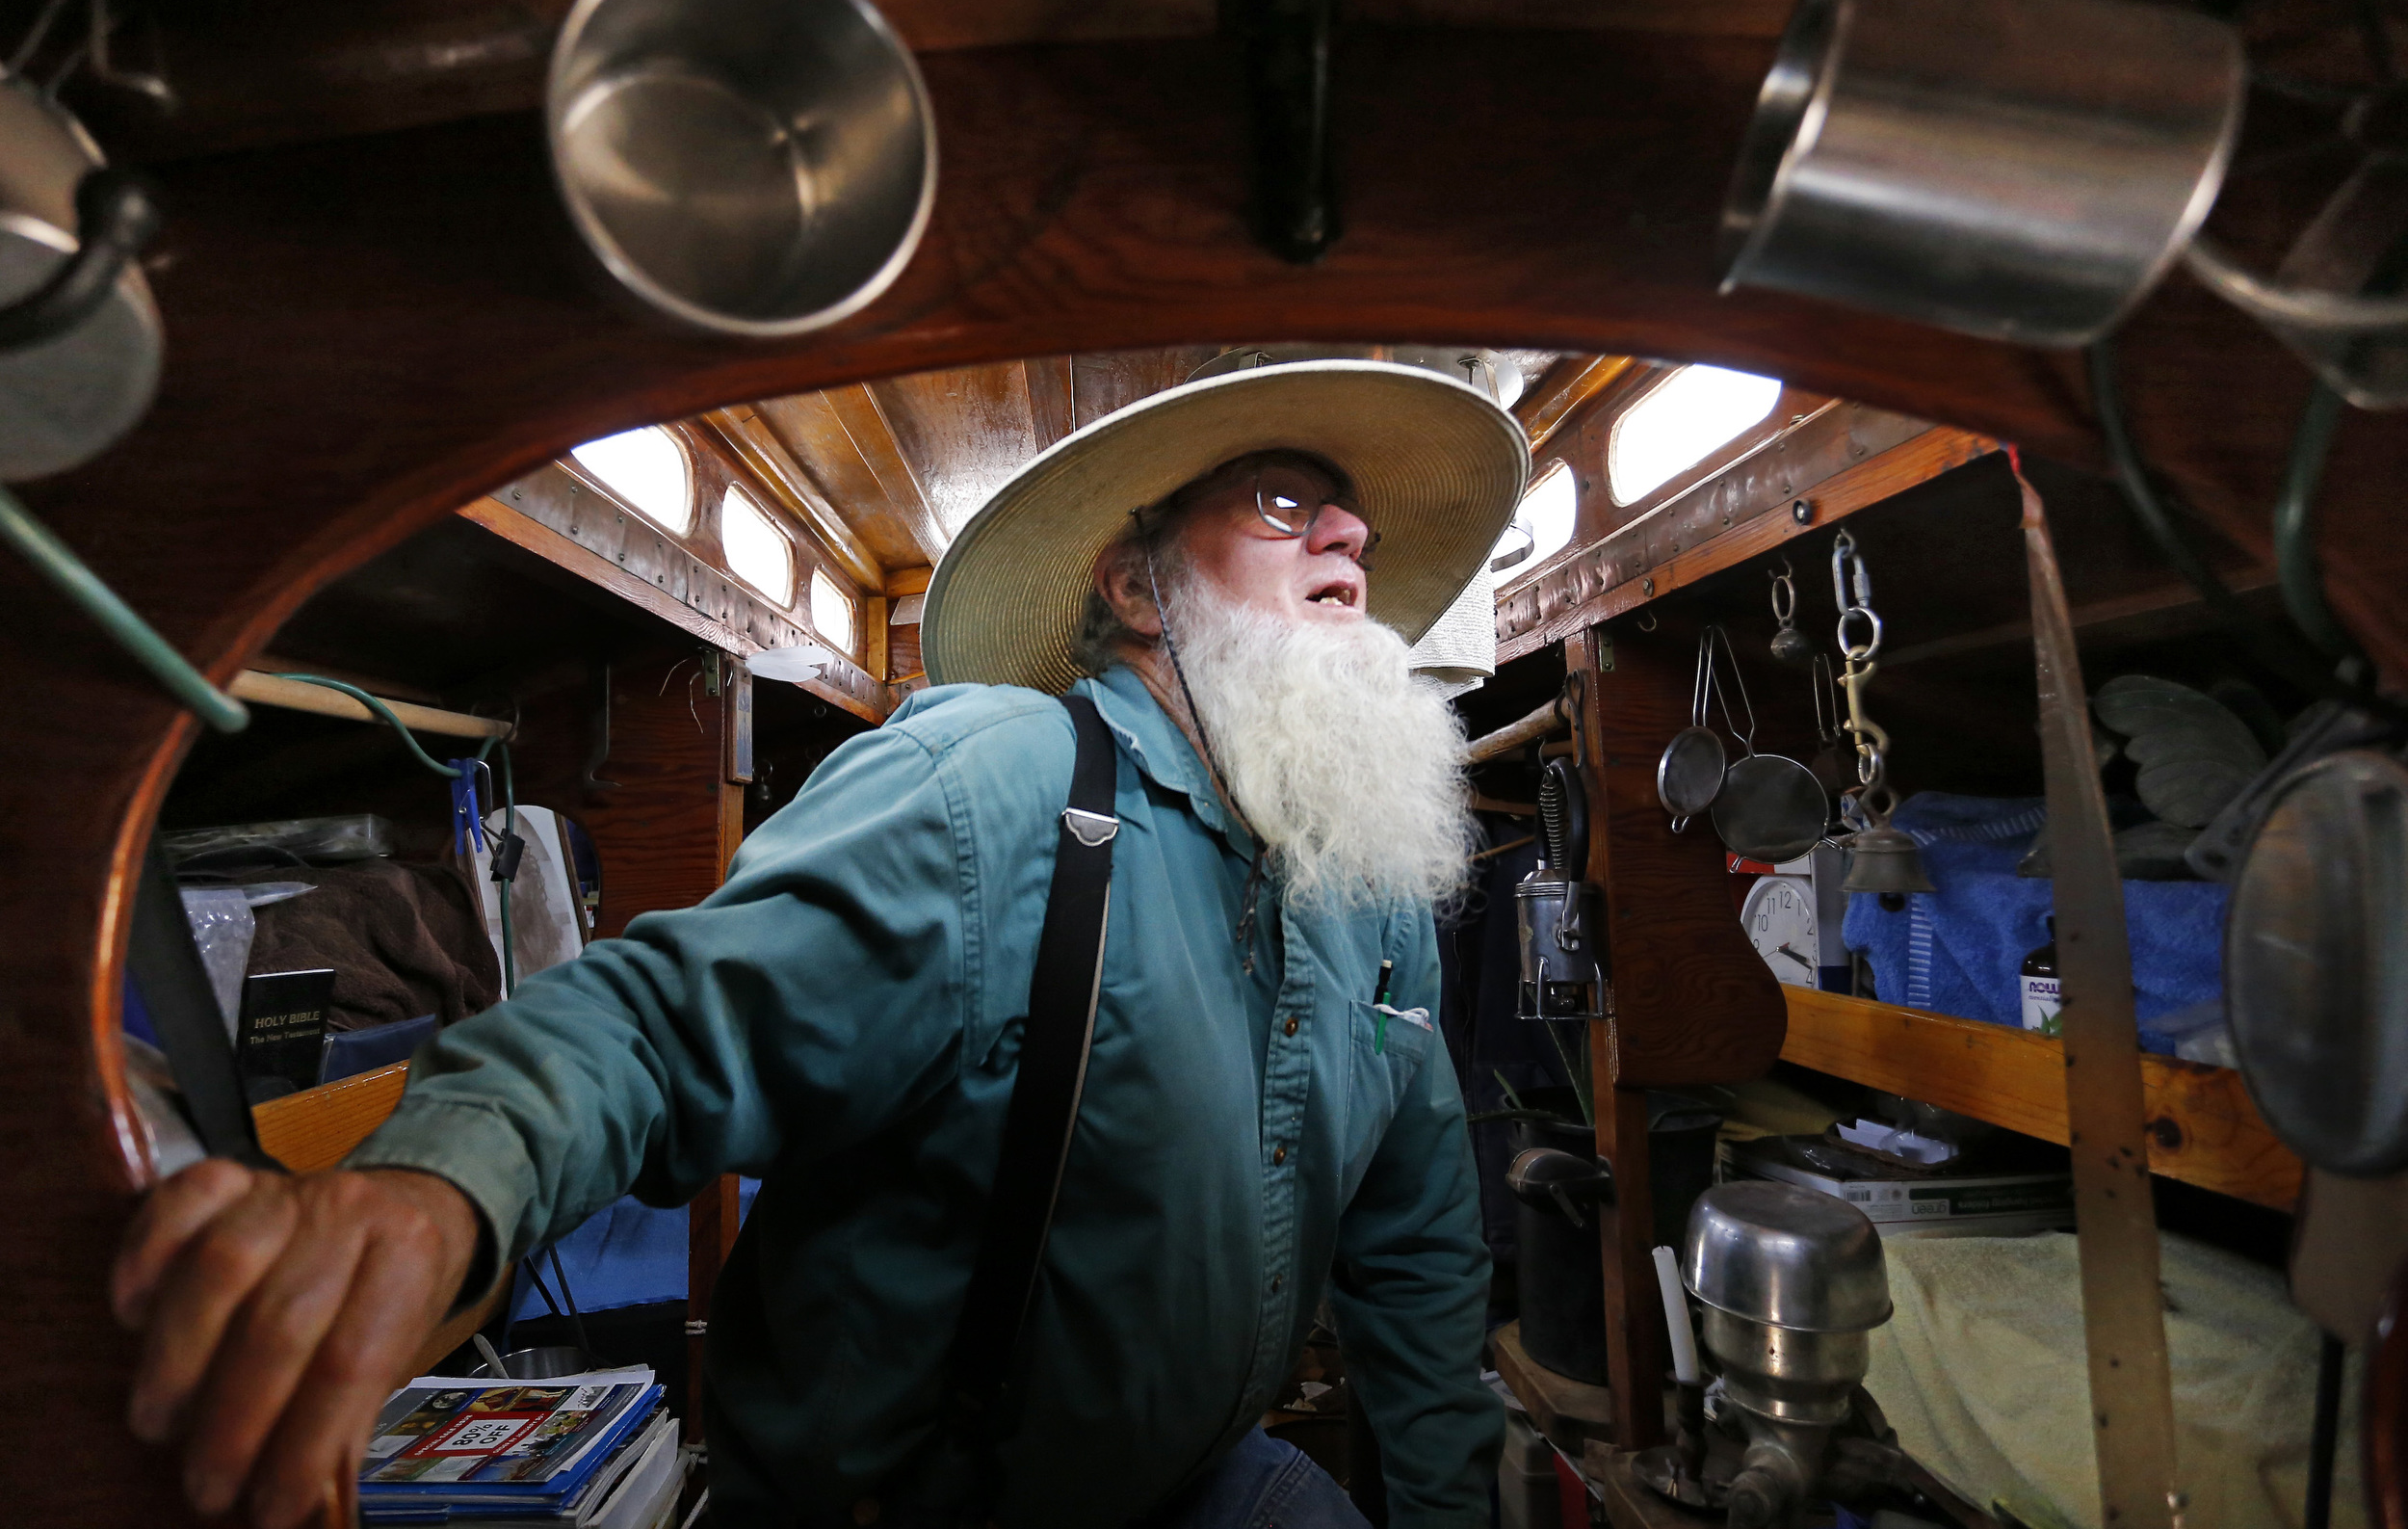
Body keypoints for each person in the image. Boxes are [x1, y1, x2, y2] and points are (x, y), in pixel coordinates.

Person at [112, 356, 1531, 1529]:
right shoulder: (1003, 783)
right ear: (1140, 590)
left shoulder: (1366, 884)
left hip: (1196, 1485)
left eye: (1356, 523)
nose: (1345, 536)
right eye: (1286, 501)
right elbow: (660, 1025)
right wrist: (431, 1196)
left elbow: (1416, 1253)